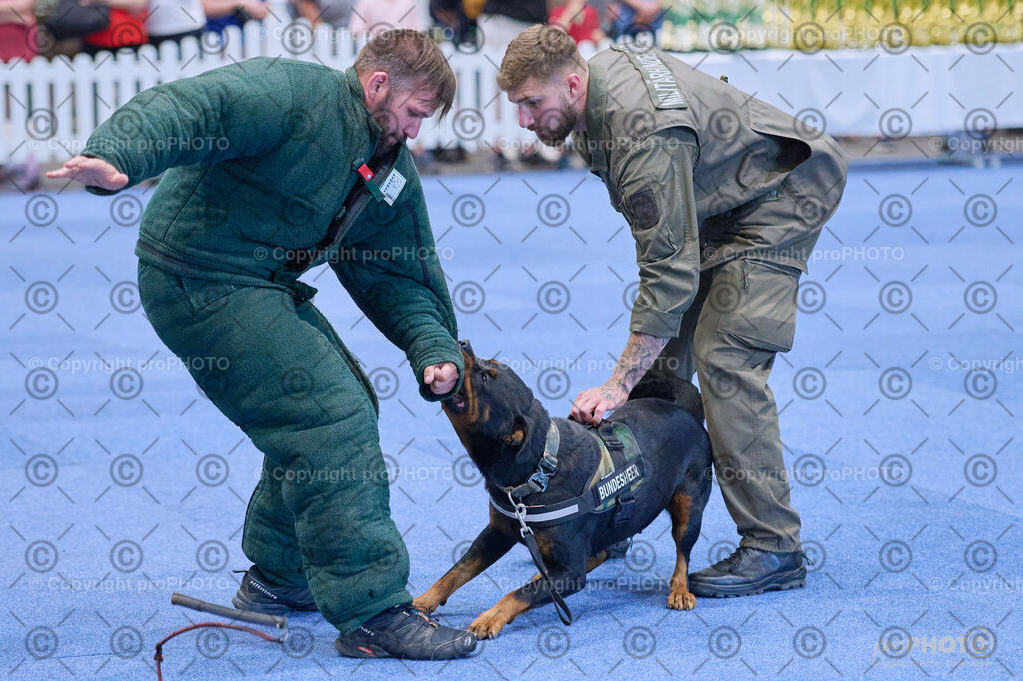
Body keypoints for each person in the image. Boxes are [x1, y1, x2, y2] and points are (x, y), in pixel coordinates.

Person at [47, 29, 478, 660]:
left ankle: (279, 579)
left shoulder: (387, 161)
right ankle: (373, 613)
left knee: (339, 404)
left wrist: (432, 346)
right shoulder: (292, 95)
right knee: (329, 414)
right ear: (378, 84)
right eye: (415, 113)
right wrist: (120, 156)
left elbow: (396, 267)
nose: (416, 132)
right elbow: (198, 107)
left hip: (259, 283)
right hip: (194, 275)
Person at [496, 25, 848, 598]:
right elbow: (670, 260)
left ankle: (773, 545)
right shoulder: (594, 95)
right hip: (723, 192)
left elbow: (666, 272)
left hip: (785, 191)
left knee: (725, 356)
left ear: (574, 81)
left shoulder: (642, 135)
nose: (524, 121)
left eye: (533, 103)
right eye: (516, 105)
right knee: (662, 364)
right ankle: (618, 510)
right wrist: (637, 369)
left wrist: (614, 387)